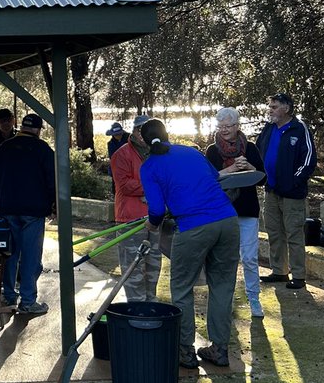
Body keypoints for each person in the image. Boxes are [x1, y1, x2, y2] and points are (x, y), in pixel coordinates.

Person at [140, 118, 239, 369]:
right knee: (222, 285)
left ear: (143, 140)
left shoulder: (149, 166)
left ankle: (185, 351)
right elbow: (214, 178)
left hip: (193, 226)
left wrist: (152, 225)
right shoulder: (190, 152)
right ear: (167, 133)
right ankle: (219, 349)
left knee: (182, 288)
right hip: (227, 220)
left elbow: (156, 210)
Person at [0, 112, 56, 317]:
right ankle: (27, 301)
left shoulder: (4, 147)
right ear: (38, 129)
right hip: (33, 212)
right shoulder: (43, 149)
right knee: (30, 257)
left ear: (22, 127)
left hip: (8, 209)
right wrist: (53, 205)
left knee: (10, 254)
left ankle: (9, 295)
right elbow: (53, 180)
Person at [206, 107, 266, 319]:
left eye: (228, 126)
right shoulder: (212, 150)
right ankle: (225, 300)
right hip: (222, 211)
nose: (224, 130)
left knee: (249, 258)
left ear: (237, 126)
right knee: (225, 259)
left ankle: (254, 298)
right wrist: (231, 170)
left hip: (247, 210)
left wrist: (248, 165)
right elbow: (209, 180)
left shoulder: (250, 148)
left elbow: (263, 178)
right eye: (220, 126)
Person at [256, 93, 317, 290]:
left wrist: (293, 182)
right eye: (270, 106)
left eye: (274, 107)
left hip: (292, 193)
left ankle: (298, 276)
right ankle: (279, 271)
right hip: (271, 190)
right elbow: (258, 151)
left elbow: (308, 160)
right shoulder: (268, 128)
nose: (270, 110)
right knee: (274, 232)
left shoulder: (299, 129)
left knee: (294, 234)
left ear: (287, 108)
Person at [110, 114, 162, 300]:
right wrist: (152, 187)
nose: (145, 135)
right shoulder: (122, 154)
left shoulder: (157, 152)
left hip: (154, 219)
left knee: (153, 268)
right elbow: (124, 185)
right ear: (136, 131)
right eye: (142, 131)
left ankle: (151, 306)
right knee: (133, 270)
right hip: (130, 220)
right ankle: (136, 308)